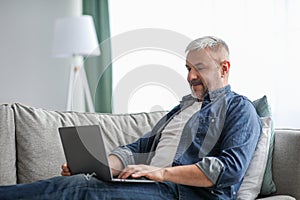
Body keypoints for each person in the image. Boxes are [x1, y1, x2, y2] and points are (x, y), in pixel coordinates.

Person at [0, 36, 261, 200]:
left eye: (199, 68)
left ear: (224, 68)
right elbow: (139, 148)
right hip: (153, 185)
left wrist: (161, 173)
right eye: (188, 68)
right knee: (84, 180)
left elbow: (228, 169)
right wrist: (103, 165)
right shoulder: (183, 108)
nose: (191, 76)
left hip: (181, 192)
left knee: (80, 189)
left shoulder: (240, 109)